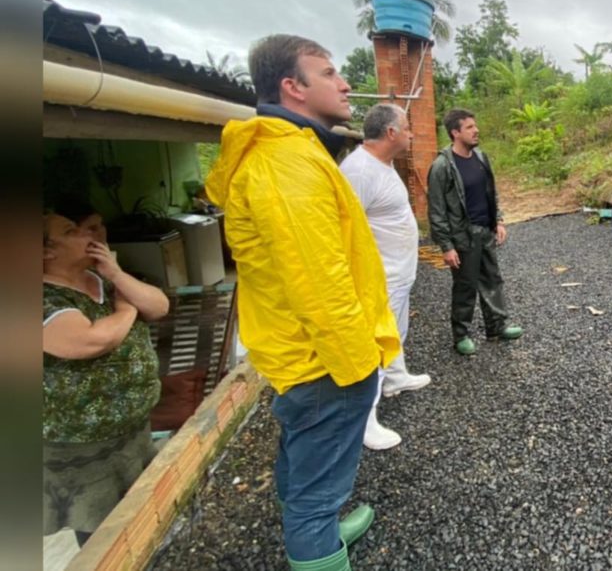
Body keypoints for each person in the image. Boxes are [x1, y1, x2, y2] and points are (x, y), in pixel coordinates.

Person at [204, 34, 400, 570]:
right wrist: (359, 365)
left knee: (304, 455)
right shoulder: (284, 164)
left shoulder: (293, 151)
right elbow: (317, 281)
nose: (345, 83)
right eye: (330, 73)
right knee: (316, 483)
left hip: (306, 354)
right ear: (292, 87)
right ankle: (317, 549)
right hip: (325, 361)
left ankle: (322, 528)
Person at [42, 211, 169, 547]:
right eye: (72, 231)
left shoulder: (105, 280)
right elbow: (90, 341)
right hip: (82, 446)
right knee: (104, 534)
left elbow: (158, 306)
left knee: (142, 518)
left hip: (132, 431)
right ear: (45, 252)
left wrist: (115, 272)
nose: (87, 234)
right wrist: (126, 310)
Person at [339, 104, 432, 451]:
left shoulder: (383, 165)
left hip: (398, 274)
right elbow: (346, 230)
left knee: (396, 332)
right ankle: (366, 419)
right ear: (391, 133)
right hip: (379, 277)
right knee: (376, 341)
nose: (412, 134)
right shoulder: (358, 171)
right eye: (407, 128)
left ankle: (396, 378)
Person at [426, 109, 523, 356]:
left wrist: (498, 221)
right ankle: (461, 334)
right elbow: (436, 210)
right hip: (462, 236)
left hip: (485, 231)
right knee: (465, 286)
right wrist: (446, 246)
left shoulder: (481, 157)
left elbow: (492, 192)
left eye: (475, 126)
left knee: (493, 279)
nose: (476, 130)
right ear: (455, 133)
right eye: (469, 127)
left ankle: (497, 327)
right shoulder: (442, 166)